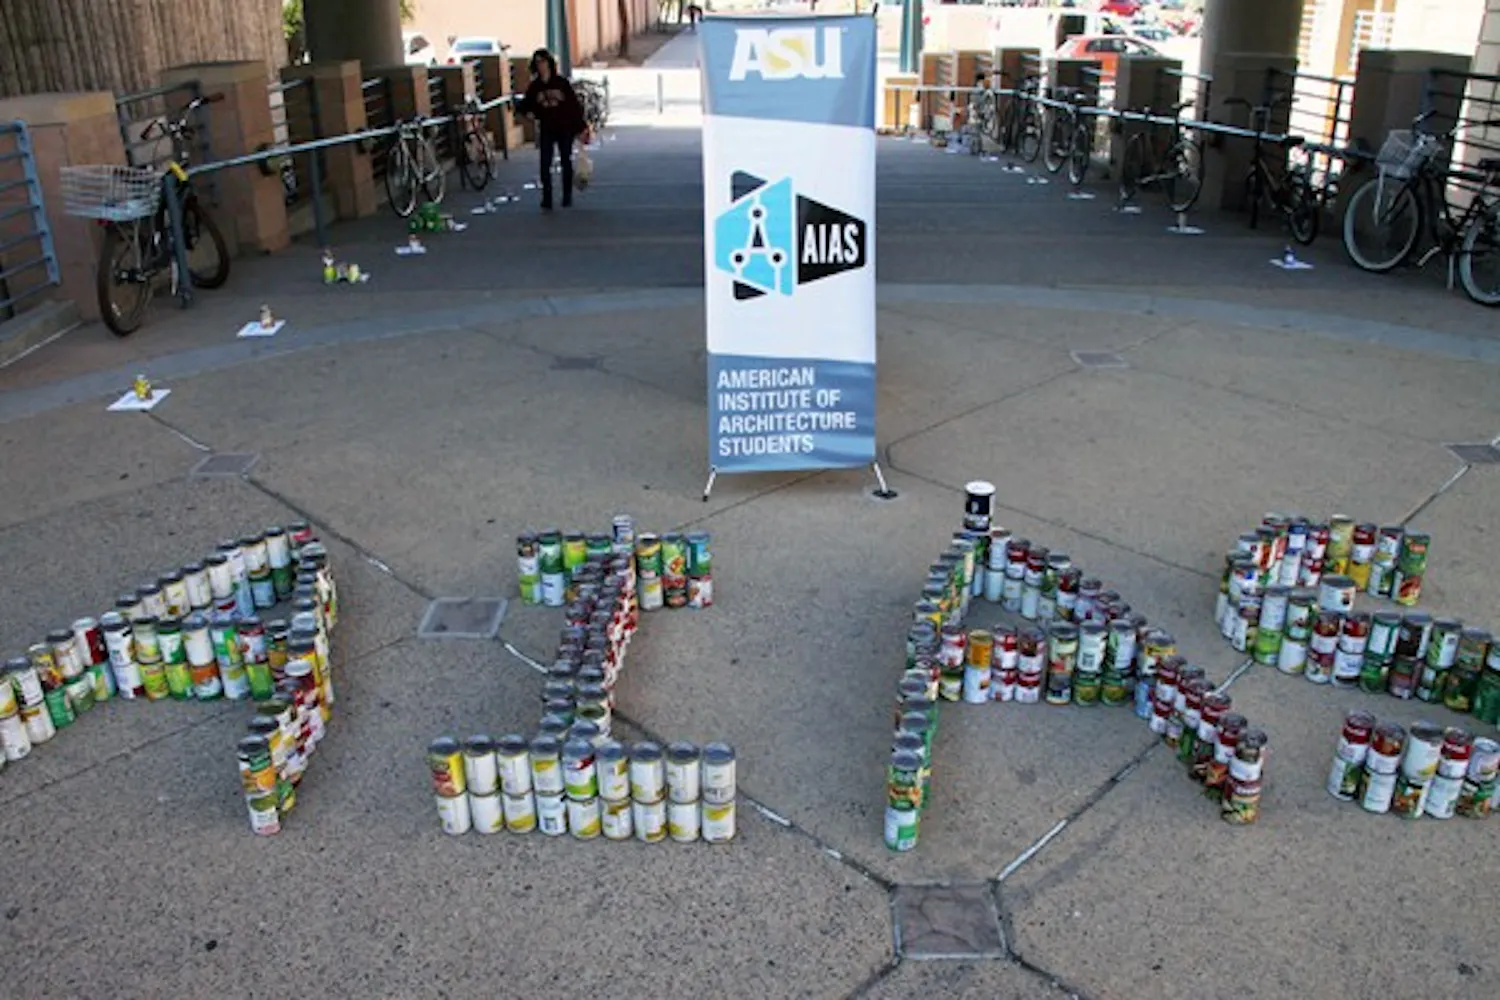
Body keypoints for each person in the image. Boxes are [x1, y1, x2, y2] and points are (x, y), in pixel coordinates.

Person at [515, 48, 586, 210]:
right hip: (547, 128)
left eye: (543, 62)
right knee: (544, 163)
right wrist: (528, 113)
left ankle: (567, 195)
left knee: (565, 160)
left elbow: (574, 106)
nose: (541, 66)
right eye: (538, 63)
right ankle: (547, 197)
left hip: (564, 127)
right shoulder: (535, 87)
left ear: (549, 63)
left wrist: (581, 127)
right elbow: (526, 105)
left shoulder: (561, 83)